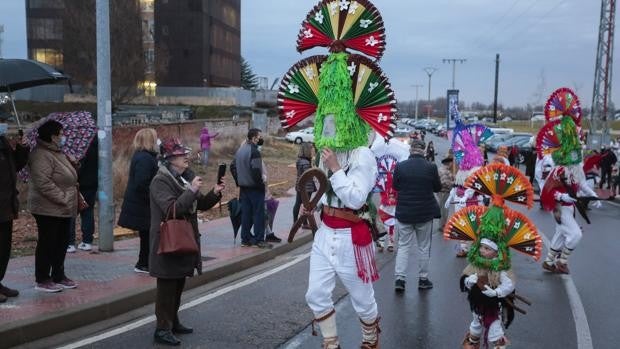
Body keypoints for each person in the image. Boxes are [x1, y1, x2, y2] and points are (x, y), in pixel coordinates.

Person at [445, 163, 541, 349]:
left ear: (497, 251)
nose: (483, 251)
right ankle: (472, 342)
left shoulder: (502, 266)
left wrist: (496, 292)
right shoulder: (476, 261)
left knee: (494, 329)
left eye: (487, 250)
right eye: (481, 248)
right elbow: (464, 278)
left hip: (493, 304)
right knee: (476, 324)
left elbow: (509, 284)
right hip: (477, 302)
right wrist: (470, 281)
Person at [149, 138, 224, 346]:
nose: (186, 158)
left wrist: (214, 193)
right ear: (171, 159)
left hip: (183, 240)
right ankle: (162, 328)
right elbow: (172, 209)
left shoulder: (184, 178)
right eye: (182, 155)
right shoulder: (160, 181)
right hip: (167, 241)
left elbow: (199, 204)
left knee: (178, 283)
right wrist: (191, 191)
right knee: (167, 286)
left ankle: (173, 321)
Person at [539, 89, 601, 274]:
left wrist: (594, 196)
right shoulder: (558, 170)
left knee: (560, 234)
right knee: (575, 235)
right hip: (560, 208)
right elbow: (547, 192)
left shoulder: (575, 168)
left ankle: (549, 262)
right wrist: (564, 196)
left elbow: (581, 183)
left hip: (569, 208)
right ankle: (562, 261)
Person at [28, 120, 78, 292]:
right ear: (52, 136)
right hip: (47, 207)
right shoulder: (40, 154)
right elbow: (43, 182)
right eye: (61, 134)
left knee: (61, 242)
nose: (63, 137)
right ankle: (42, 278)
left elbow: (66, 176)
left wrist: (74, 164)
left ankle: (58, 274)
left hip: (63, 207)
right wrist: (63, 198)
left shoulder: (58, 153)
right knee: (48, 242)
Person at [393, 139, 441, 292]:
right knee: (423, 247)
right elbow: (437, 187)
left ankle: (400, 279)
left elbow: (395, 186)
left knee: (403, 247)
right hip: (424, 214)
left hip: (405, 213)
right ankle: (423, 279)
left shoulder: (400, 166)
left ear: (411, 150)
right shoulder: (431, 167)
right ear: (424, 150)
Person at [118, 128, 160, 273]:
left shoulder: (142, 156)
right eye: (155, 138)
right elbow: (142, 183)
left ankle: (144, 262)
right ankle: (144, 264)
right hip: (143, 204)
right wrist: (154, 196)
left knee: (147, 235)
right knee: (148, 234)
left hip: (141, 203)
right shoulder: (145, 158)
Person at [0, 123, 29, 302]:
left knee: (3, 248)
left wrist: (22, 148)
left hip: (6, 206)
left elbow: (15, 166)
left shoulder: (3, 143)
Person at [231, 128, 270, 248]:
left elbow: (233, 167)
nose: (260, 139)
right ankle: (259, 239)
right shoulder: (254, 152)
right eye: (259, 137)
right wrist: (261, 182)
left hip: (244, 188)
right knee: (259, 214)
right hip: (255, 188)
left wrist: (239, 181)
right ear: (254, 138)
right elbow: (256, 170)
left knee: (246, 214)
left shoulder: (240, 150)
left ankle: (245, 239)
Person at [67, 137, 98, 253]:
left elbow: (78, 168)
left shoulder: (79, 148)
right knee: (88, 211)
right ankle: (87, 241)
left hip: (78, 184)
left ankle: (69, 243)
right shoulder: (97, 145)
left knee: (71, 213)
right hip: (92, 184)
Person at [292, 142, 316, 225]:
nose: (313, 150)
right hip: (306, 187)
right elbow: (308, 175)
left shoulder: (300, 160)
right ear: (307, 150)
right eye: (311, 149)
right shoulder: (306, 162)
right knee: (306, 205)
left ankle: (296, 222)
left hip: (300, 186)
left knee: (298, 204)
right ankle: (304, 223)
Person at [438, 153, 455, 232]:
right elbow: (445, 182)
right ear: (449, 163)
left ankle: (442, 224)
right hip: (445, 192)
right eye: (452, 163)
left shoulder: (441, 169)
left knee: (442, 208)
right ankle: (442, 225)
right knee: (444, 209)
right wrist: (454, 184)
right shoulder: (445, 171)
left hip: (441, 191)